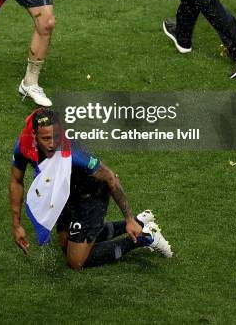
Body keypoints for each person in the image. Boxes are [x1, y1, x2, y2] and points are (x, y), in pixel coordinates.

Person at [9, 108, 173, 269]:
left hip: (91, 195)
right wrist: (16, 225)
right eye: (46, 139)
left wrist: (128, 218)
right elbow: (16, 181)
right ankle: (140, 221)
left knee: (76, 261)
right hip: (67, 193)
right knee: (65, 243)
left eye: (56, 137)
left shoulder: (74, 154)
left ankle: (146, 236)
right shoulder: (24, 147)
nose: (52, 144)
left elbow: (110, 177)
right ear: (34, 137)